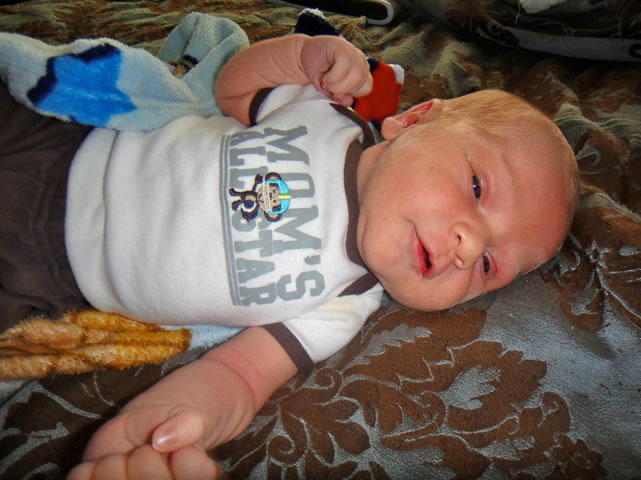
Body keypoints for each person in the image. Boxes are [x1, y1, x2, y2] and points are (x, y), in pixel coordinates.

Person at [1, 31, 578, 480]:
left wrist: (178, 422)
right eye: (476, 188)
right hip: (61, 142)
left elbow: (240, 374)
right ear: (414, 120)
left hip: (46, 278)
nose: (469, 247)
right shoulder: (327, 117)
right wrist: (303, 55)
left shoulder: (342, 305)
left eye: (489, 266)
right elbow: (234, 87)